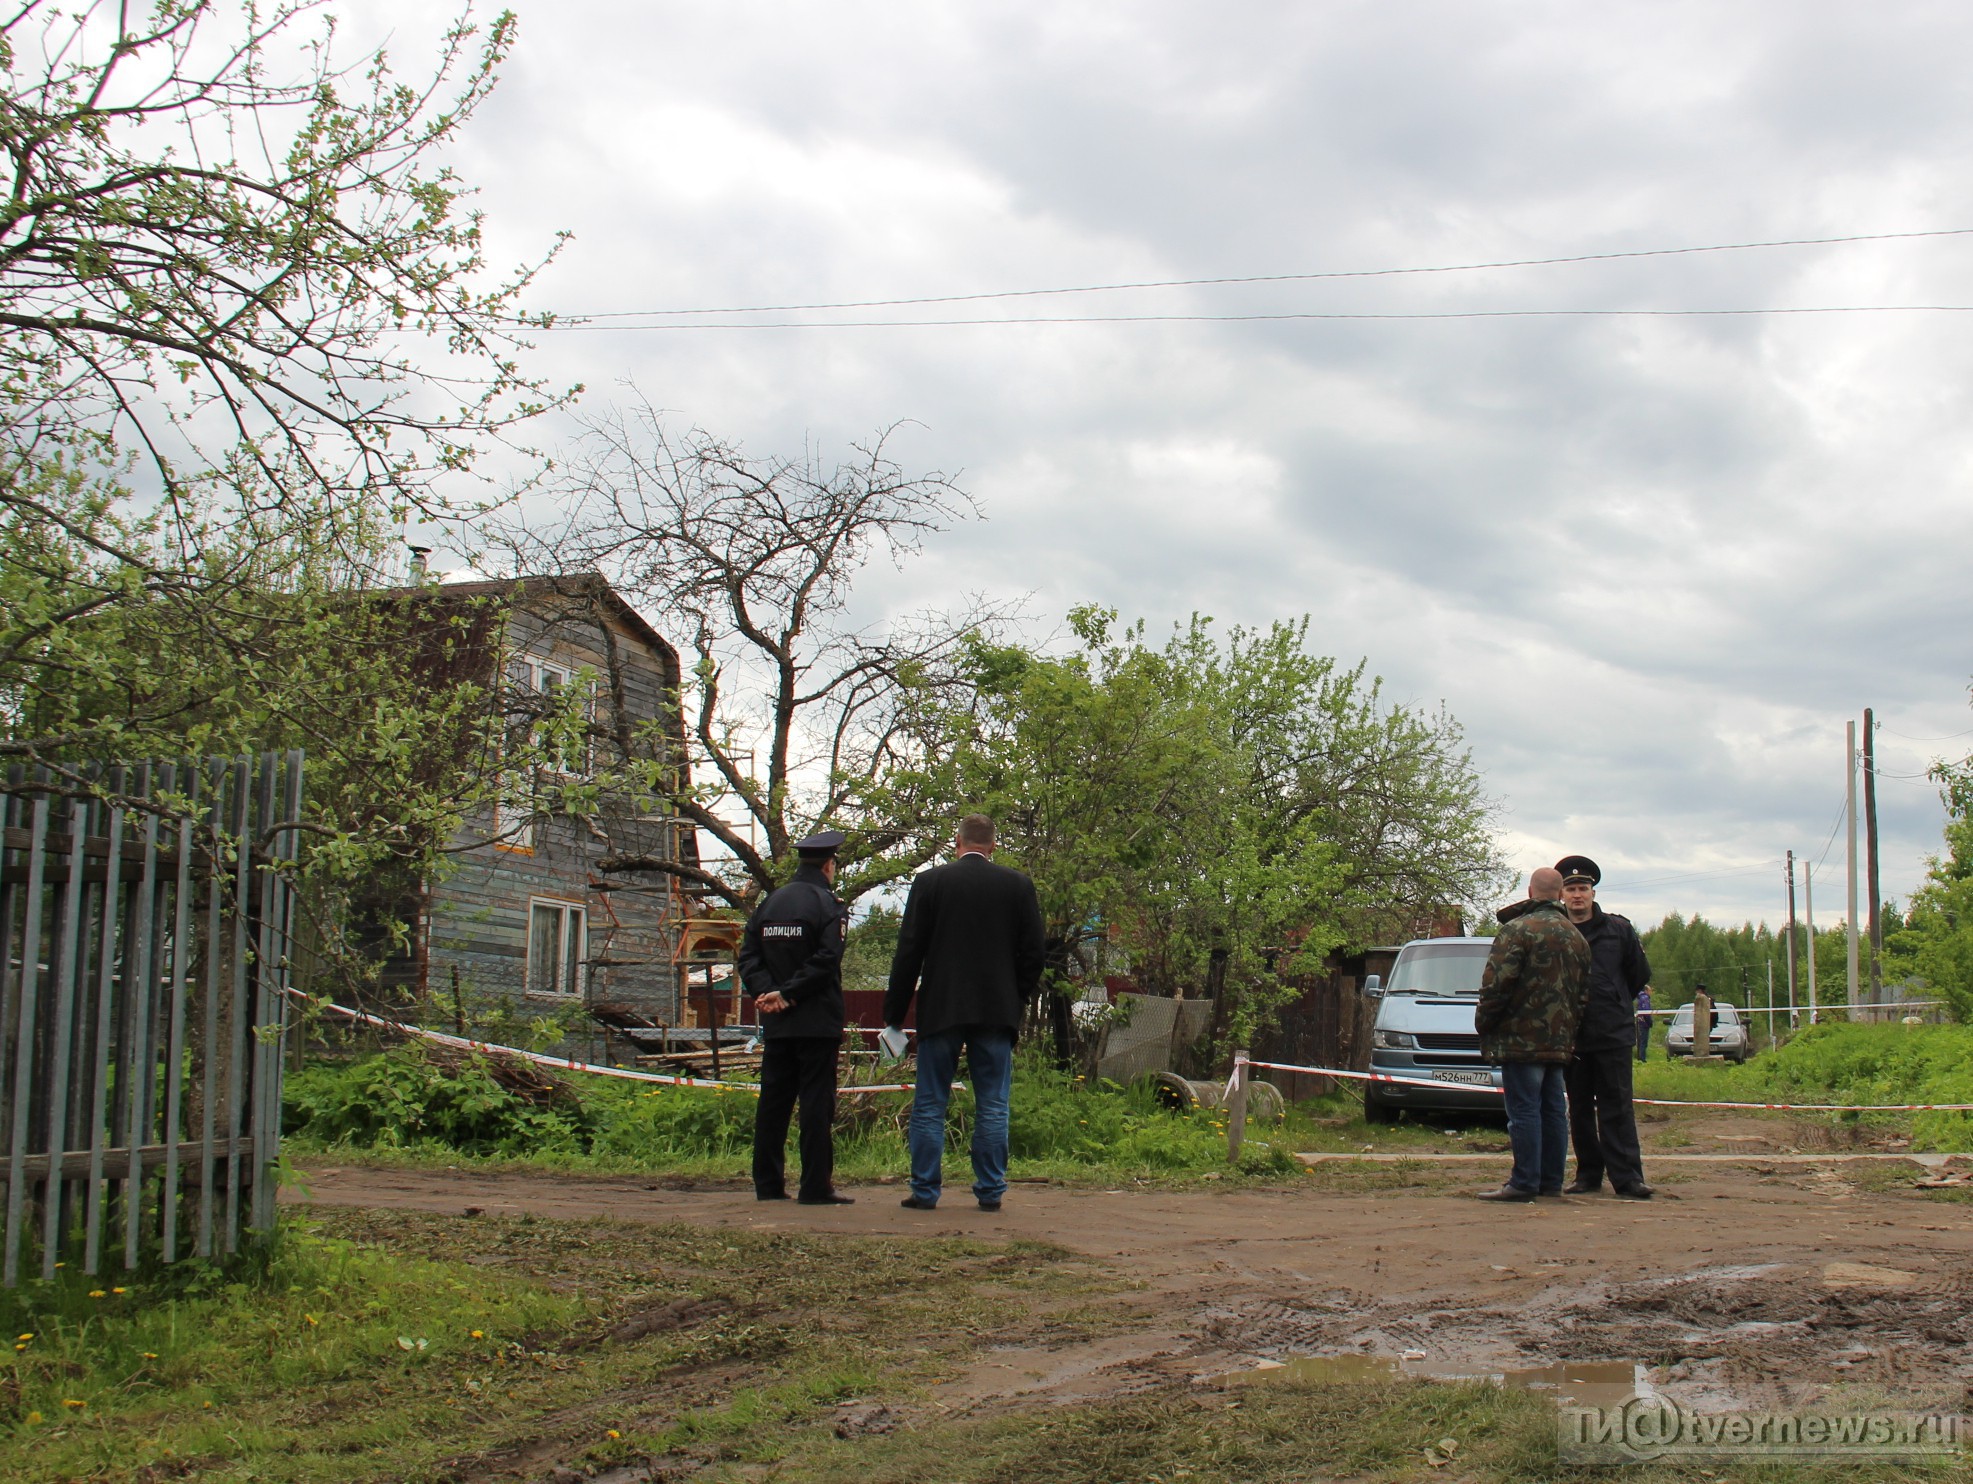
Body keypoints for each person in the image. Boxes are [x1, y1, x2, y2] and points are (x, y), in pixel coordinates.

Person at [883, 813, 1044, 1213]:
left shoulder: (930, 883)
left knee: (930, 1103)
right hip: (996, 1010)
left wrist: (894, 1014)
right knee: (992, 1102)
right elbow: (1035, 952)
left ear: (956, 843)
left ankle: (924, 1191)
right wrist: (1016, 996)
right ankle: (990, 1191)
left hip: (942, 1008)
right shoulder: (1018, 886)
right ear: (993, 845)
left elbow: (909, 953)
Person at [739, 828, 854, 1206]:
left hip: (777, 1023)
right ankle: (815, 1187)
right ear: (828, 865)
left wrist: (766, 993)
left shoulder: (770, 904)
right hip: (816, 1022)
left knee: (774, 1102)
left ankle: (768, 1185)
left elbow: (748, 957)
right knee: (816, 1105)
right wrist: (788, 994)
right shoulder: (828, 905)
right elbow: (825, 961)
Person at [1474, 867, 1592, 1202]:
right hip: (1559, 1041)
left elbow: (1497, 984)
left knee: (1524, 1111)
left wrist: (1484, 1023)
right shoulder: (1576, 938)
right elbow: (1583, 994)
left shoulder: (1516, 931)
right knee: (1554, 1110)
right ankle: (1551, 1183)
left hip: (1520, 1039)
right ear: (1559, 894)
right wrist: (1570, 1030)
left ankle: (1524, 1182)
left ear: (1529, 891)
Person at [1555, 855, 1655, 1199]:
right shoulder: (1556, 931)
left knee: (1617, 1106)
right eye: (1571, 889)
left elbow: (1638, 974)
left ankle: (1628, 1179)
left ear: (1593, 892)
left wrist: (1612, 998)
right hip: (1571, 1034)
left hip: (1612, 1032)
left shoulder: (1619, 929)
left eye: (1583, 888)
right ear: (1561, 895)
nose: (1577, 895)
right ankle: (1588, 1176)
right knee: (1579, 1108)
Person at [1634, 984, 1653, 1062]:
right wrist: (1650, 1022)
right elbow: (1646, 1012)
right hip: (1644, 1023)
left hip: (1640, 1021)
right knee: (1643, 1041)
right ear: (1646, 991)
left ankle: (1641, 1057)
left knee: (1641, 1040)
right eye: (1650, 990)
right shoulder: (1645, 998)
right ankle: (1642, 1059)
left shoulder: (1640, 998)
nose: (1651, 992)